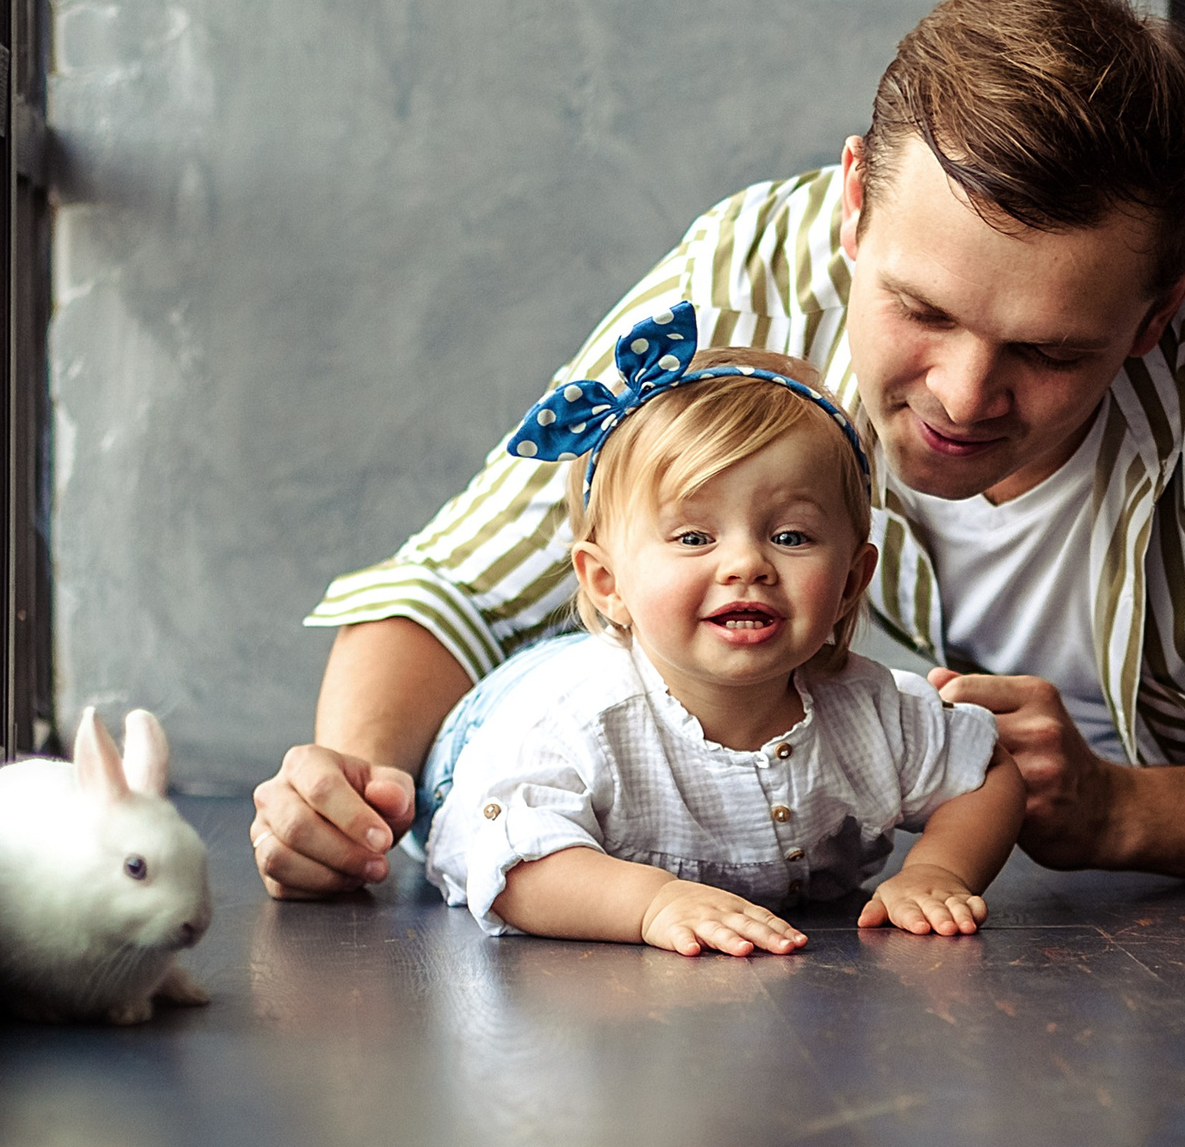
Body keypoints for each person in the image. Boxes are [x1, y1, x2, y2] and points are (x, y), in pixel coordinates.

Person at [254, 0, 1185, 916]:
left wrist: (1119, 814)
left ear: (1167, 299)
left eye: (1051, 351)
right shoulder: (752, 268)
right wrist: (351, 785)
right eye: (918, 311)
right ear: (854, 206)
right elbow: (458, 576)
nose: (964, 398)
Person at [416, 319, 1025, 955]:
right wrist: (651, 902)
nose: (746, 565)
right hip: (494, 722)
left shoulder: (874, 713)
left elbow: (987, 775)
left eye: (790, 537)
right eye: (694, 538)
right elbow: (513, 867)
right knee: (518, 753)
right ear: (607, 583)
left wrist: (938, 870)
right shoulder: (571, 726)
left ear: (851, 581)